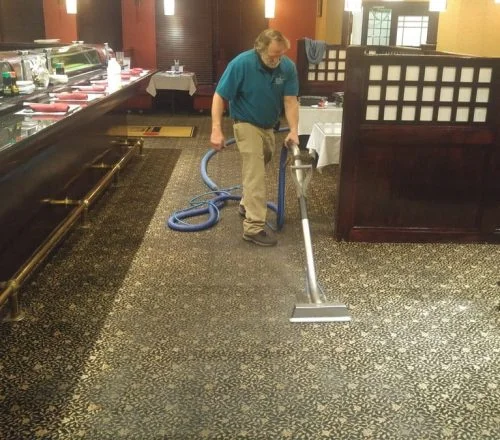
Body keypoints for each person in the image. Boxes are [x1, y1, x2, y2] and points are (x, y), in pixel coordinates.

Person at [210, 29, 299, 247]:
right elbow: (219, 96)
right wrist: (216, 129)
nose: (276, 60)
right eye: (272, 55)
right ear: (259, 49)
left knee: (261, 161)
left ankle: (246, 203)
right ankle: (253, 227)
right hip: (245, 122)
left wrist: (294, 129)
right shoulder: (241, 64)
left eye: (281, 55)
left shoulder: (287, 67)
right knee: (256, 173)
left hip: (268, 126)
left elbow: (290, 101)